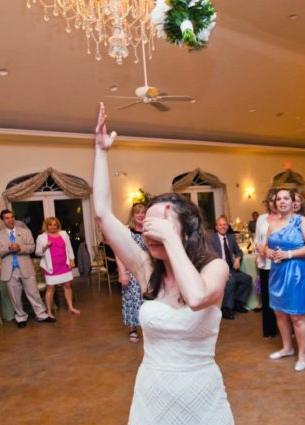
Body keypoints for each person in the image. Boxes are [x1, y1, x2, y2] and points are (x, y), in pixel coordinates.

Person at [93, 103, 234, 424]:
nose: (150, 229)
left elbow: (197, 298)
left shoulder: (215, 268)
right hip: (152, 390)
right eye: (147, 224)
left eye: (162, 224)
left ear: (187, 231)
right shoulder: (146, 270)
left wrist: (170, 240)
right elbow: (101, 213)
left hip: (200, 392)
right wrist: (100, 152)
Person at [265, 188, 305, 372]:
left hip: (296, 272)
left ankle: (302, 354)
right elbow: (266, 247)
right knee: (280, 313)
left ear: (293, 201)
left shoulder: (302, 222)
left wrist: (288, 253)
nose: (282, 201)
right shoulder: (272, 224)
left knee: (297, 316)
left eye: (285, 198)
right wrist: (268, 252)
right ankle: (287, 348)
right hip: (277, 272)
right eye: (278, 199)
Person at [0, 210, 55, 328]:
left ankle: (41, 314)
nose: (11, 220)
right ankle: (21, 317)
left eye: (12, 217)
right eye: (7, 218)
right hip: (9, 270)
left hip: (26, 267)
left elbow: (32, 248)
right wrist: (8, 248)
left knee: (33, 292)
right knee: (15, 296)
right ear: (3, 220)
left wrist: (19, 247)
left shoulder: (25, 231)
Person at [115, 203, 148, 343]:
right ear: (133, 216)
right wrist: (122, 273)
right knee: (133, 300)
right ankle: (133, 329)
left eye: (143, 212)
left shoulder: (149, 230)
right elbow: (119, 252)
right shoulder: (126, 231)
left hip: (148, 271)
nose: (140, 215)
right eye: (137, 213)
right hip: (131, 271)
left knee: (148, 300)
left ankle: (149, 328)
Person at [209, 216, 252, 320]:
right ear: (216, 227)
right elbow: (209, 257)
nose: (223, 227)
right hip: (219, 270)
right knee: (231, 281)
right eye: (220, 225)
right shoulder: (211, 239)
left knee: (247, 279)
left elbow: (239, 251)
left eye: (225, 225)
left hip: (232, 269)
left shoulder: (231, 237)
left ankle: (238, 302)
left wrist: (237, 258)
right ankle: (226, 308)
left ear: (227, 226)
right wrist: (221, 270)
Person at [35, 216, 79, 317]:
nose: (53, 227)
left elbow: (69, 247)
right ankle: (49, 312)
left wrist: (72, 260)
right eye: (50, 225)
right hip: (51, 268)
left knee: (67, 286)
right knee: (50, 289)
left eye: (55, 225)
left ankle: (70, 307)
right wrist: (46, 246)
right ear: (46, 226)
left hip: (64, 265)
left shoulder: (63, 234)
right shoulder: (41, 237)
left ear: (58, 225)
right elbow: (37, 253)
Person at [254, 189, 279, 339]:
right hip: (265, 264)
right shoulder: (261, 219)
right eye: (272, 200)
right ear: (268, 203)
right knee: (267, 297)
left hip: (280, 263)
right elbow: (257, 240)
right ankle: (270, 330)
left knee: (281, 297)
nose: (274, 204)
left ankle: (287, 329)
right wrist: (261, 249)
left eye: (277, 200)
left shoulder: (286, 218)